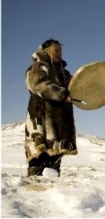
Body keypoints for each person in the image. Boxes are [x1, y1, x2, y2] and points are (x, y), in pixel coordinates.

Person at [25, 38, 78, 177]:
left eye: (61, 50)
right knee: (39, 159)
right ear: (46, 51)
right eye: (56, 50)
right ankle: (32, 194)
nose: (59, 53)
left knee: (55, 161)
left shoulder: (64, 74)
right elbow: (38, 85)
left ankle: (51, 196)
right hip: (40, 118)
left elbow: (78, 87)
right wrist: (62, 94)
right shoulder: (38, 68)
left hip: (59, 123)